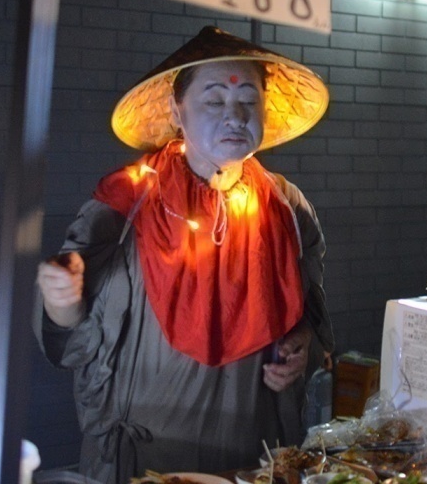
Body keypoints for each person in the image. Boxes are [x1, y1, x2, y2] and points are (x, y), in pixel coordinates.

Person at [34, 26, 334, 484]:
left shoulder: (287, 206)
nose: (234, 116)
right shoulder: (126, 203)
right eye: (214, 101)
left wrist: (302, 345)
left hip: (255, 446)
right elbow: (73, 337)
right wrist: (62, 300)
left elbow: (307, 316)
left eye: (248, 101)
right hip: (148, 459)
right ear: (177, 111)